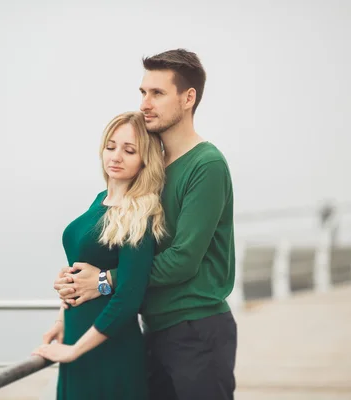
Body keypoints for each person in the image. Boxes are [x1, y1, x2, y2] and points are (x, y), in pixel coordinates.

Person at [53, 49, 237, 400]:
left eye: (157, 93)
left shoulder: (206, 164)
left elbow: (183, 258)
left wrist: (105, 282)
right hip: (154, 327)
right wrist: (74, 286)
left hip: (196, 328)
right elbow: (125, 240)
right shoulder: (153, 170)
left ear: (188, 98)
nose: (145, 103)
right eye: (143, 93)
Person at [33, 111, 167, 399]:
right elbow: (76, 271)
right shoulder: (99, 201)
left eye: (129, 150)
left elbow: (128, 299)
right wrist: (60, 324)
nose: (116, 156)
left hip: (108, 347)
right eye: (111, 146)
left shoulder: (137, 213)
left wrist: (73, 350)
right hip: (74, 337)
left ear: (145, 159)